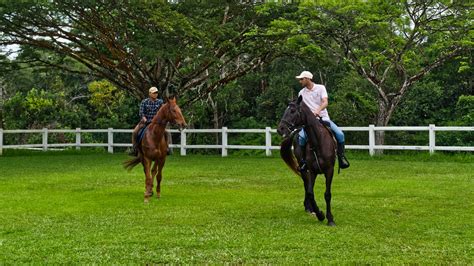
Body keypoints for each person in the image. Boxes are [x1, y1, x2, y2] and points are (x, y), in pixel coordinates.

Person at [295, 70, 350, 170]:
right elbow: (299, 108)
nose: (300, 81)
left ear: (307, 79)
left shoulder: (320, 88)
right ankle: (303, 162)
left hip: (323, 118)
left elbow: (325, 102)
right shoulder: (301, 93)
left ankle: (341, 158)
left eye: (301, 79)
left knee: (340, 134)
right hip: (309, 123)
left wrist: (318, 110)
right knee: (301, 138)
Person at [129, 86, 164, 156]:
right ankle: (135, 148)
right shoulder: (144, 102)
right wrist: (144, 119)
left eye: (156, 93)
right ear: (150, 94)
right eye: (154, 93)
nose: (155, 94)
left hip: (156, 123)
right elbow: (141, 113)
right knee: (135, 132)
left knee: (166, 132)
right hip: (145, 122)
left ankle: (167, 149)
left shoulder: (160, 102)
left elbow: (162, 112)